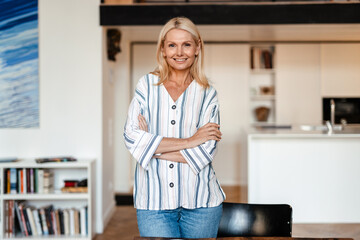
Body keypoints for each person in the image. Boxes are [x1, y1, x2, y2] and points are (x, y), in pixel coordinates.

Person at [123, 16, 225, 238]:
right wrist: (190, 141)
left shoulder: (208, 94)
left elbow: (205, 151)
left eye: (186, 44)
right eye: (172, 45)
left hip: (202, 203)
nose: (179, 52)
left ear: (197, 48)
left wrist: (150, 148)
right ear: (163, 49)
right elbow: (132, 138)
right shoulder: (146, 86)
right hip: (154, 203)